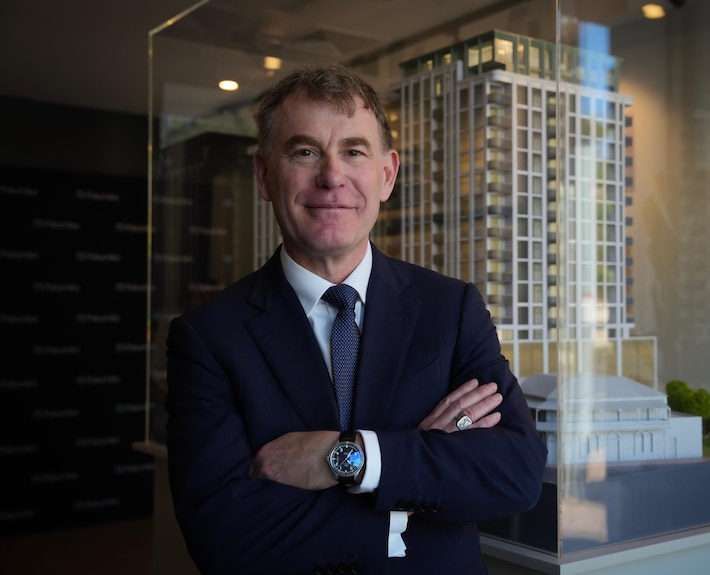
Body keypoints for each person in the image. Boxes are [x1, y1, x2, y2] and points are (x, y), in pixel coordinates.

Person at [165, 63, 547, 575]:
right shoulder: (209, 337)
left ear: (386, 175)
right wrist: (414, 479)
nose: (331, 177)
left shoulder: (450, 309)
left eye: (353, 151)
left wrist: (349, 458)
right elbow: (223, 535)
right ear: (263, 175)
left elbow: (514, 473)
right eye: (304, 152)